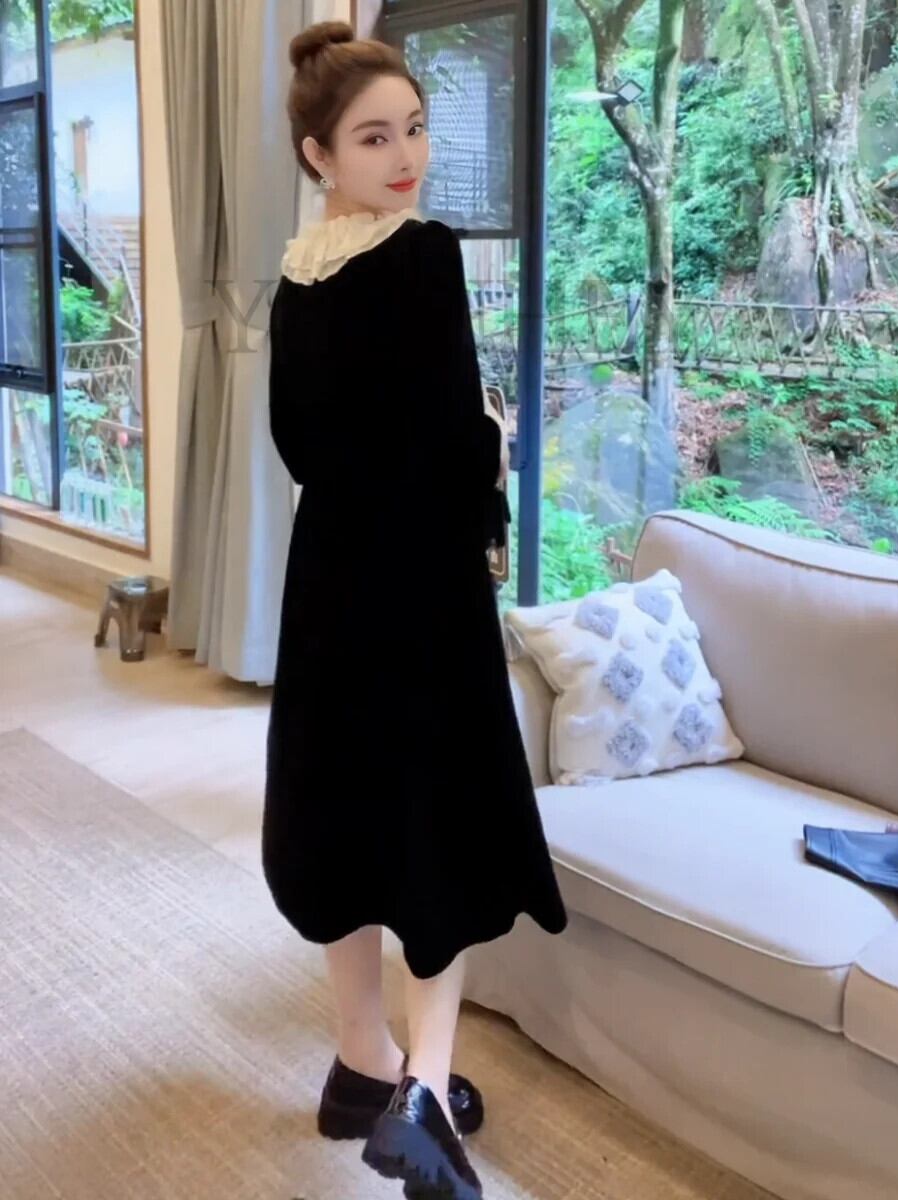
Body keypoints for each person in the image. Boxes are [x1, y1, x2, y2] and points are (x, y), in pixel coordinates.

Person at [261, 20, 568, 1199]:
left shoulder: (299, 273)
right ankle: (424, 1098)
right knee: (440, 829)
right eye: (375, 138)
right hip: (422, 589)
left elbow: (300, 445)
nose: (406, 158)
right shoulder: (425, 255)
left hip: (329, 578)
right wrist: (489, 461)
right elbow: (451, 442)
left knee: (347, 812)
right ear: (319, 153)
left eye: (416, 131)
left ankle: (360, 1063)